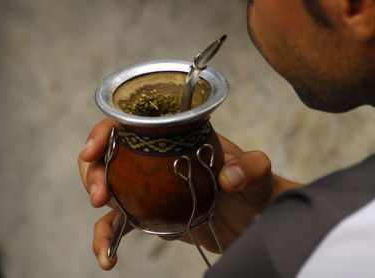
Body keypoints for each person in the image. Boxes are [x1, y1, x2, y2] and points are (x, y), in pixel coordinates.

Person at [78, 0, 375, 276]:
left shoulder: (287, 259)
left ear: (356, 7)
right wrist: (275, 217)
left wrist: (275, 242)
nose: (250, 15)